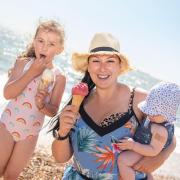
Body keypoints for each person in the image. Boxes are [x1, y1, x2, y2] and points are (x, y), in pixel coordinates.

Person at [51, 33, 176, 180]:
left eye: (110, 61)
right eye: (96, 61)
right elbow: (60, 158)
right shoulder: (79, 102)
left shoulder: (139, 100)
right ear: (88, 66)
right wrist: (63, 132)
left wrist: (157, 159)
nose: (102, 68)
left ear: (119, 66)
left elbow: (169, 136)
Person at [0, 20, 66, 179]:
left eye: (51, 44)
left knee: (11, 176)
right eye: (40, 41)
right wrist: (32, 73)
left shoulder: (59, 77)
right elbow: (8, 94)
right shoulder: (23, 63)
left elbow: (53, 110)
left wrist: (42, 104)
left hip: (29, 134)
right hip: (7, 125)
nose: (44, 47)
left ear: (59, 49)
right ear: (34, 41)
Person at [117, 82, 180, 180]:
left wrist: (133, 145)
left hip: (146, 150)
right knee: (146, 173)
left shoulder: (160, 131)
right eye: (149, 110)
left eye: (154, 113)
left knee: (123, 160)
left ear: (167, 114)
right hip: (143, 145)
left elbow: (153, 151)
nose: (150, 114)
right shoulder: (154, 118)